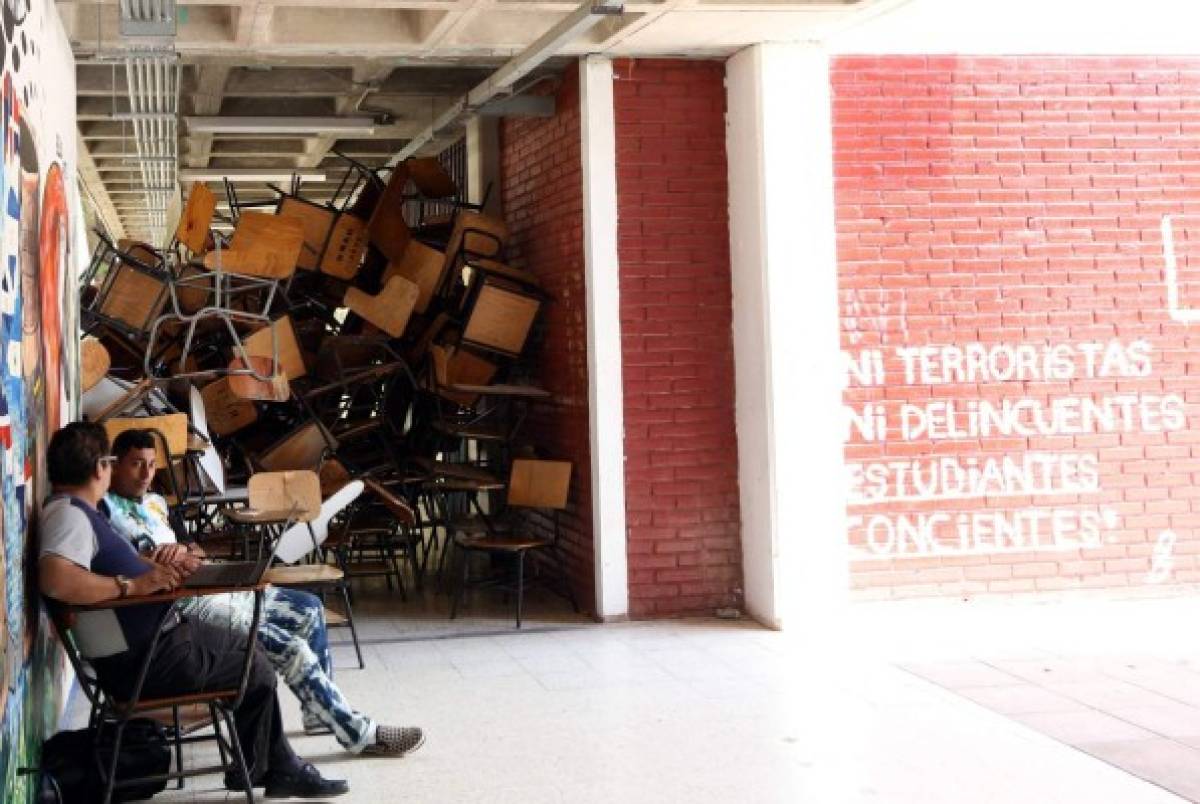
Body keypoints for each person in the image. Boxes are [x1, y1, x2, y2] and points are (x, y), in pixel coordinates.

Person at [37, 422, 348, 798]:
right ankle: (275, 770)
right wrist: (131, 584)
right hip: (149, 658)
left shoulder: (73, 510)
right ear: (100, 467)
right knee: (256, 664)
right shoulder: (70, 514)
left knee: (250, 652)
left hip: (157, 641)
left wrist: (147, 563)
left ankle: (261, 766)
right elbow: (55, 577)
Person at [104, 428, 423, 758]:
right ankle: (359, 734)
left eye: (152, 464)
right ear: (114, 466)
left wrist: (184, 552)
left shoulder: (158, 503)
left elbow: (196, 550)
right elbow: (113, 564)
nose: (146, 474)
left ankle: (316, 712)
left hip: (211, 583)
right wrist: (152, 559)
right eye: (136, 464)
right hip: (183, 606)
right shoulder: (105, 511)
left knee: (309, 607)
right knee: (291, 647)